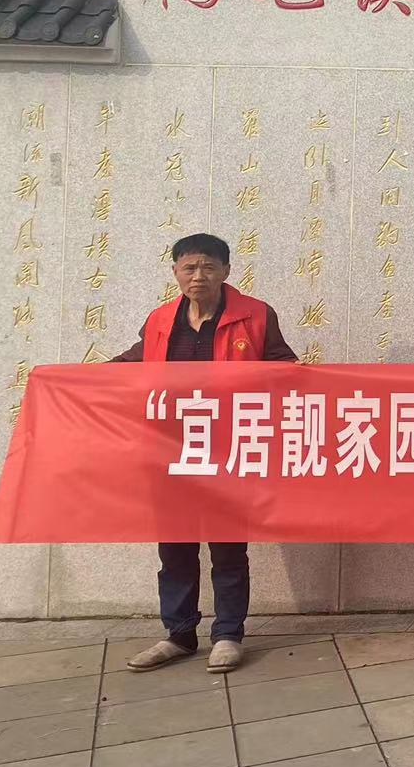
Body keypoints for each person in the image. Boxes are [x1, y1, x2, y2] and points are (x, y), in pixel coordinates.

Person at [111, 233, 296, 673]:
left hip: (228, 448)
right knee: (175, 547)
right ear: (175, 271)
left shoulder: (256, 315)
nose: (199, 275)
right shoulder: (160, 319)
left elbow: (282, 365)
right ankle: (178, 635)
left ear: (226, 271)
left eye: (209, 267)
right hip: (169, 449)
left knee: (228, 547)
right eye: (189, 267)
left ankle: (228, 634)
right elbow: (137, 361)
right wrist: (77, 380)